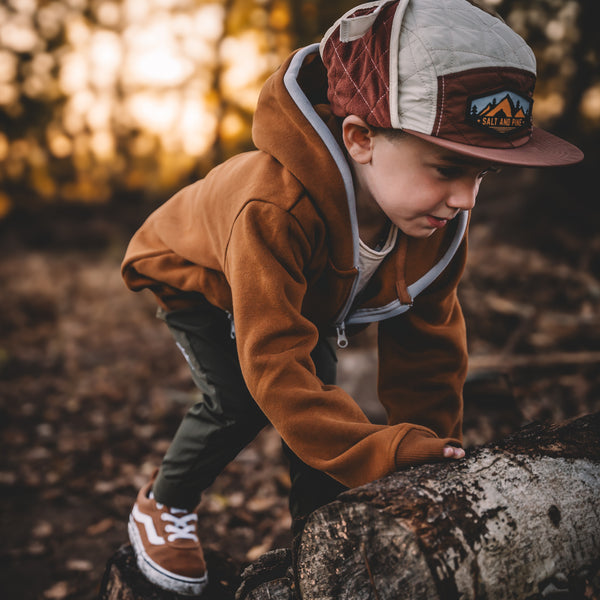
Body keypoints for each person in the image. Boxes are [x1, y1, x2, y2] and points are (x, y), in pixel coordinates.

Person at [121, 0, 583, 595]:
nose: (466, 199)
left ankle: (319, 544)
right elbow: (275, 366)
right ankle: (163, 505)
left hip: (305, 292)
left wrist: (428, 458)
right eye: (447, 168)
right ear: (362, 138)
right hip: (199, 276)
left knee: (325, 408)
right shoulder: (273, 208)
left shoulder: (436, 225)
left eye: (482, 175)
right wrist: (380, 450)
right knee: (244, 397)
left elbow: (430, 351)